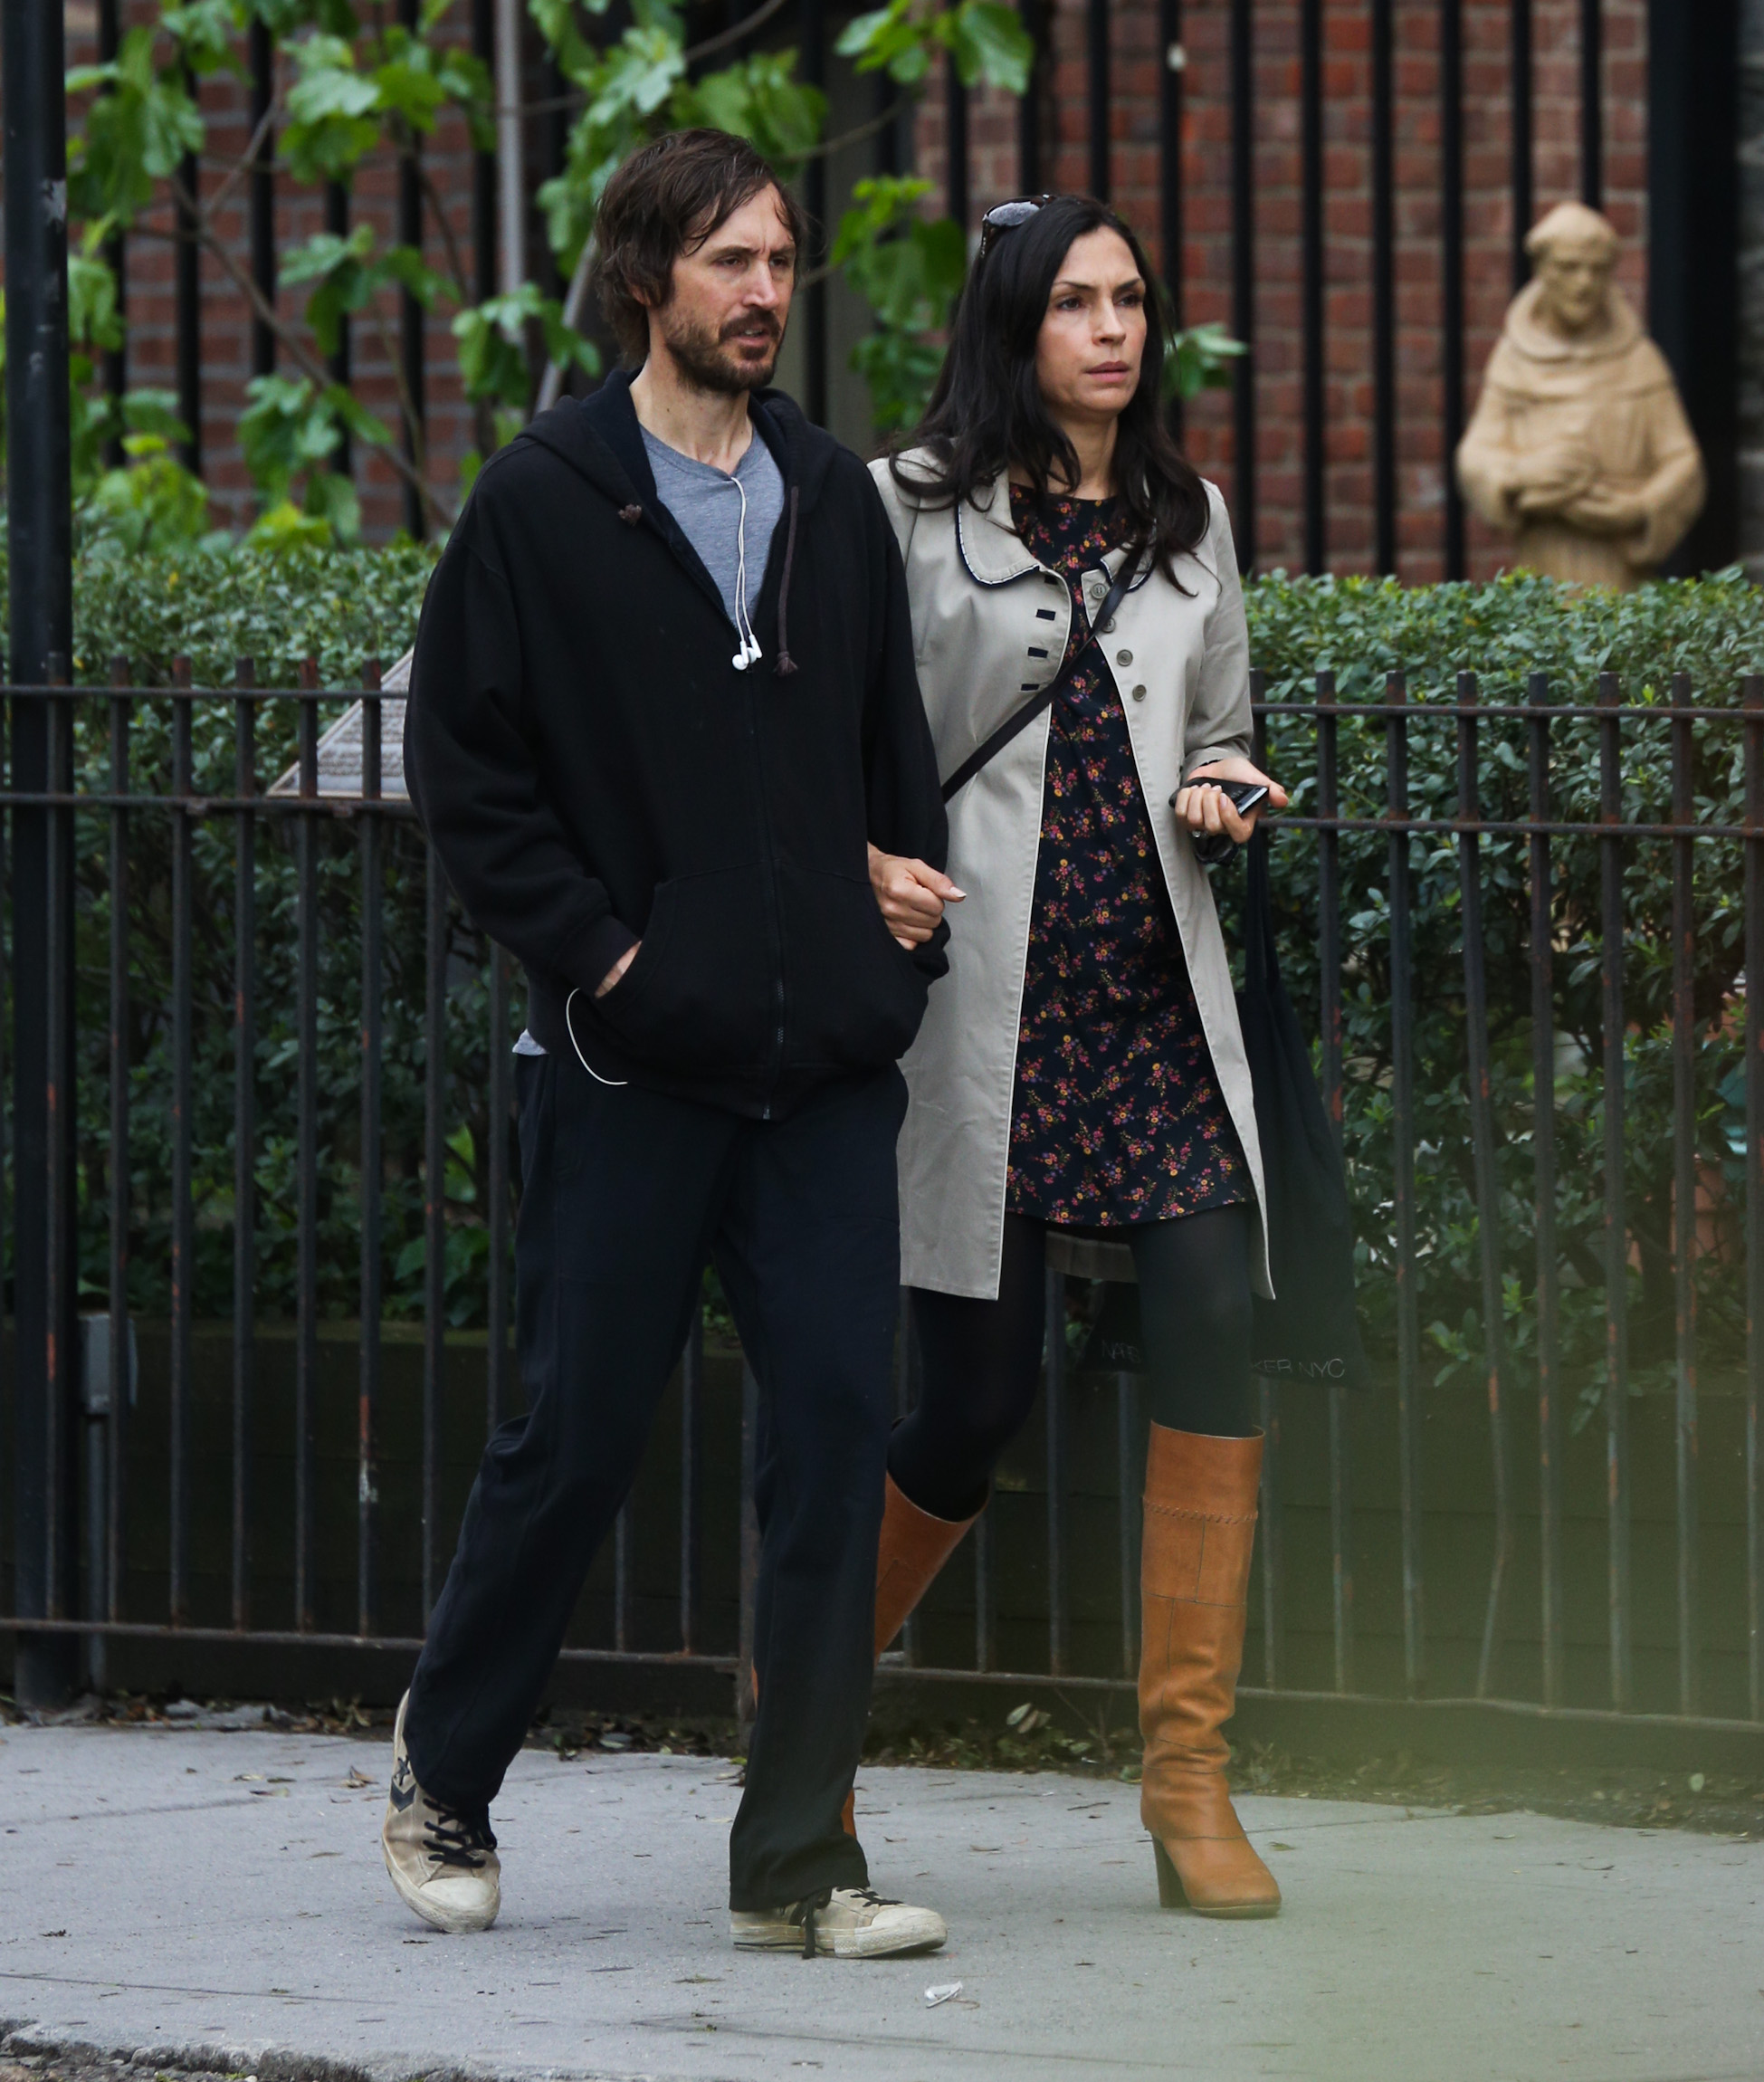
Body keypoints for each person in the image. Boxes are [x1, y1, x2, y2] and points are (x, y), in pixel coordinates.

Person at [387, 128, 951, 1961]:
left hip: (821, 1075)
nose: (767, 293)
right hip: (632, 1069)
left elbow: (881, 747)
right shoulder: (546, 501)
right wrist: (612, 962)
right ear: (649, 280)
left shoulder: (831, 496)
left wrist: (889, 907)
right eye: (732, 262)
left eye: (780, 261)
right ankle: (445, 1771)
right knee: (577, 1436)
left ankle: (798, 1860)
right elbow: (470, 774)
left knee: (836, 1438)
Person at [862, 192, 1290, 1918]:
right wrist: (861, 864)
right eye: (1074, 303)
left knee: (1214, 1322)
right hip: (985, 1011)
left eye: (1129, 301)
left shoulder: (1193, 519)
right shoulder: (908, 509)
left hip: (1150, 1002)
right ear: (1013, 324)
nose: (1112, 330)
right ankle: (803, 1698)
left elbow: (1227, 729)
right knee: (974, 1400)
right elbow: (837, 740)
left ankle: (1189, 1783)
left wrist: (1228, 788)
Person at [1455, 199, 1704, 589]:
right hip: (1541, 565)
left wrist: (1638, 508)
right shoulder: (1514, 358)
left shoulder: (1638, 359)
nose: (1584, 283)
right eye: (1569, 267)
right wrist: (1522, 474)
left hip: (1621, 573)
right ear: (1541, 270)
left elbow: (1683, 463)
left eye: (1597, 269)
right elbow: (1477, 454)